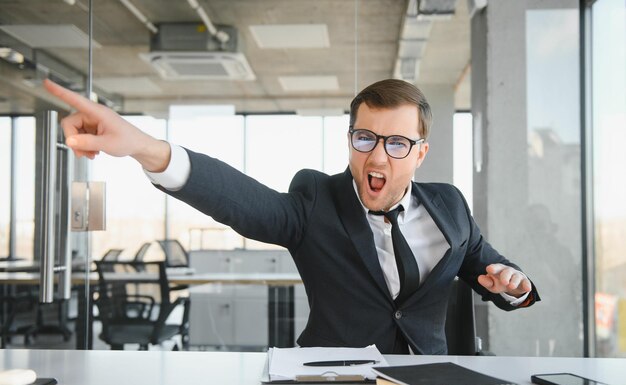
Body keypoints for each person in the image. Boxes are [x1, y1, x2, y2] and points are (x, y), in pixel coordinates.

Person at [44, 78, 540, 354]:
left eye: (396, 143)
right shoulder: (315, 201)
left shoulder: (449, 205)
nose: (378, 158)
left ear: (420, 153)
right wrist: (147, 149)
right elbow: (244, 201)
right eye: (364, 138)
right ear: (350, 139)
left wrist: (512, 284)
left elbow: (486, 266)